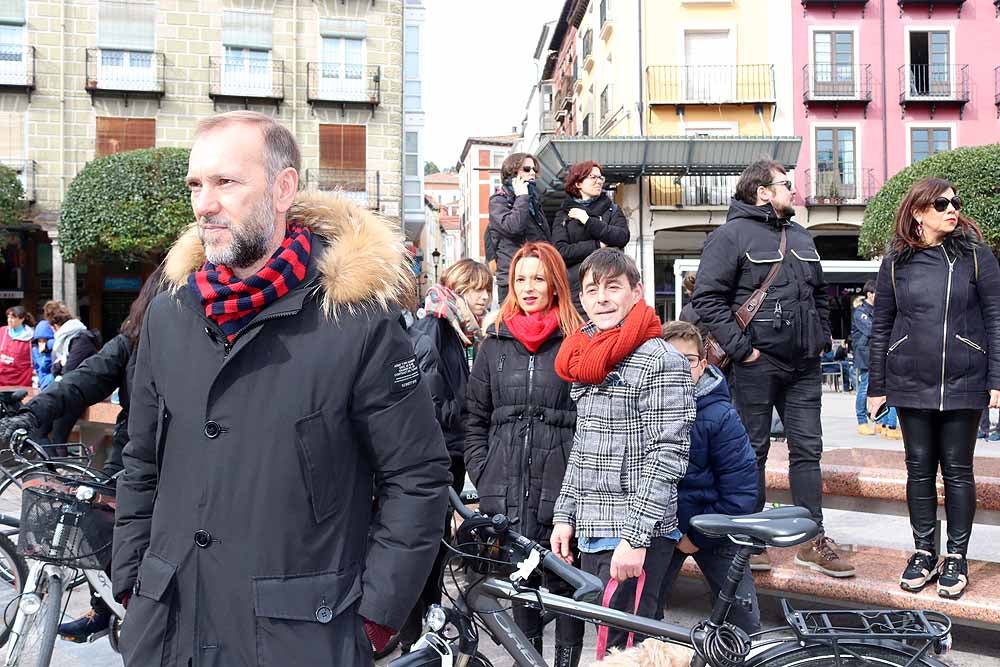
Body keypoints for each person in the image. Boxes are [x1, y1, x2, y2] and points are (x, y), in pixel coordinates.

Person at [111, 111, 451, 666]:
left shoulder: (355, 319)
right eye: (196, 185)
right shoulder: (169, 314)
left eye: (226, 182)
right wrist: (131, 582)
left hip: (302, 640)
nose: (204, 204)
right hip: (168, 633)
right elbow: (141, 461)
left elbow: (416, 477)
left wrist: (373, 621)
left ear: (282, 187)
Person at [691, 159, 855, 578]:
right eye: (786, 184)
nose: (793, 190)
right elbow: (708, 301)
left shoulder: (800, 235)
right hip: (755, 365)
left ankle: (812, 539)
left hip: (803, 365)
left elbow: (819, 293)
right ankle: (752, 538)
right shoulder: (728, 236)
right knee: (751, 453)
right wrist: (744, 352)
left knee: (808, 452)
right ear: (762, 191)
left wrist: (818, 339)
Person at [0, 266, 166, 642]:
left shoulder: (198, 347)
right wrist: (31, 412)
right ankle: (103, 606)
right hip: (131, 457)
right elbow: (81, 381)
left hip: (180, 463)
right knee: (92, 518)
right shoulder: (130, 343)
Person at [550, 248, 695, 649]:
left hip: (634, 534)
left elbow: (668, 454)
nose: (602, 298)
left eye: (613, 287)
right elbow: (584, 445)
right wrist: (565, 515)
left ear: (637, 292)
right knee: (610, 647)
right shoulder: (588, 356)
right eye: (592, 289)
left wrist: (635, 538)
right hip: (593, 527)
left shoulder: (661, 360)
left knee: (627, 650)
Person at [868, 177, 1000, 599]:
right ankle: (924, 552)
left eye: (955, 202)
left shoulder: (977, 257)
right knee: (918, 468)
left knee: (959, 470)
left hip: (965, 379)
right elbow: (881, 326)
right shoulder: (896, 261)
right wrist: (876, 385)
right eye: (941, 203)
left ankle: (956, 558)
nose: (952, 208)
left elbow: (997, 321)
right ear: (918, 211)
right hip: (910, 378)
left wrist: (997, 380)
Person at [464, 242, 584, 665]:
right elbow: (475, 419)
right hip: (509, 496)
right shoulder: (494, 344)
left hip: (563, 496)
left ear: (555, 283)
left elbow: (588, 421)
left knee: (569, 596)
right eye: (520, 279)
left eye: (537, 277)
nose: (528, 287)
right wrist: (486, 475)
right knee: (523, 594)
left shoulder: (578, 340)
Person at [398, 258, 492, 652]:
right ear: (459, 289)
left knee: (434, 546)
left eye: (487, 290)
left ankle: (425, 629)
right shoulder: (435, 328)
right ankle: (414, 637)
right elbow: (428, 401)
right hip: (435, 458)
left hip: (444, 454)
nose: (485, 298)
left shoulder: (453, 330)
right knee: (426, 546)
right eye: (477, 290)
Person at [658, 321, 759, 633]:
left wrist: (697, 538)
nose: (677, 368)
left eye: (686, 361)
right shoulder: (644, 410)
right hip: (661, 527)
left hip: (713, 524)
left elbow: (741, 492)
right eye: (668, 360)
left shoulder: (721, 415)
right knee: (641, 613)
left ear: (702, 366)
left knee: (743, 621)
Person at [551, 160, 630, 314]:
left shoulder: (612, 209)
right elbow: (560, 251)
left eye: (601, 178)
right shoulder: (564, 214)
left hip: (610, 283)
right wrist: (597, 246)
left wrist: (588, 221)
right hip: (575, 289)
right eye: (593, 177)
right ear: (578, 183)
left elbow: (621, 237)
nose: (598, 181)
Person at [489, 152, 550, 302]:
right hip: (513, 278)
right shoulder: (499, 201)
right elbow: (513, 227)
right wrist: (522, 197)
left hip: (537, 273)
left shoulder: (532, 201)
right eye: (527, 169)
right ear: (513, 172)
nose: (533, 173)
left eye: (534, 169)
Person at [43, 300, 101, 444]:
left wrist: (59, 367)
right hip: (67, 392)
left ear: (55, 325)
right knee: (40, 430)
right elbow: (57, 367)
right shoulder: (69, 339)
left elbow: (69, 370)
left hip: (76, 392)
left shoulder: (81, 339)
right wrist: (59, 367)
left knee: (58, 437)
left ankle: (57, 465)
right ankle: (50, 464)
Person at [852, 282, 900, 438]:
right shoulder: (860, 312)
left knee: (883, 389)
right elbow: (873, 329)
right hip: (865, 355)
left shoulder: (878, 311)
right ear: (869, 294)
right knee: (865, 387)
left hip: (878, 354)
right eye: (876, 293)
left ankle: (881, 422)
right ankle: (861, 421)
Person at [0, 305, 34, 387]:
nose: (9, 320)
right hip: (2, 376)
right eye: (8, 317)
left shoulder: (31, 336)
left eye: (13, 318)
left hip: (22, 378)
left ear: (22, 319)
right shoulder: (2, 331)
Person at [31, 319, 55, 390]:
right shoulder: (35, 351)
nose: (42, 343)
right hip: (42, 386)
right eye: (39, 341)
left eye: (45, 340)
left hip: (54, 386)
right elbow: (38, 368)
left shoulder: (56, 349)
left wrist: (48, 347)